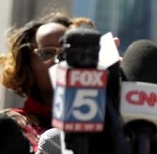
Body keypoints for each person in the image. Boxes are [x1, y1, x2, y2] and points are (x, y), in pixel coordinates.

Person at [0, 8, 95, 153]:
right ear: (27, 64)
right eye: (47, 53)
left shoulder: (98, 126)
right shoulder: (9, 126)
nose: (59, 60)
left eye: (66, 52)